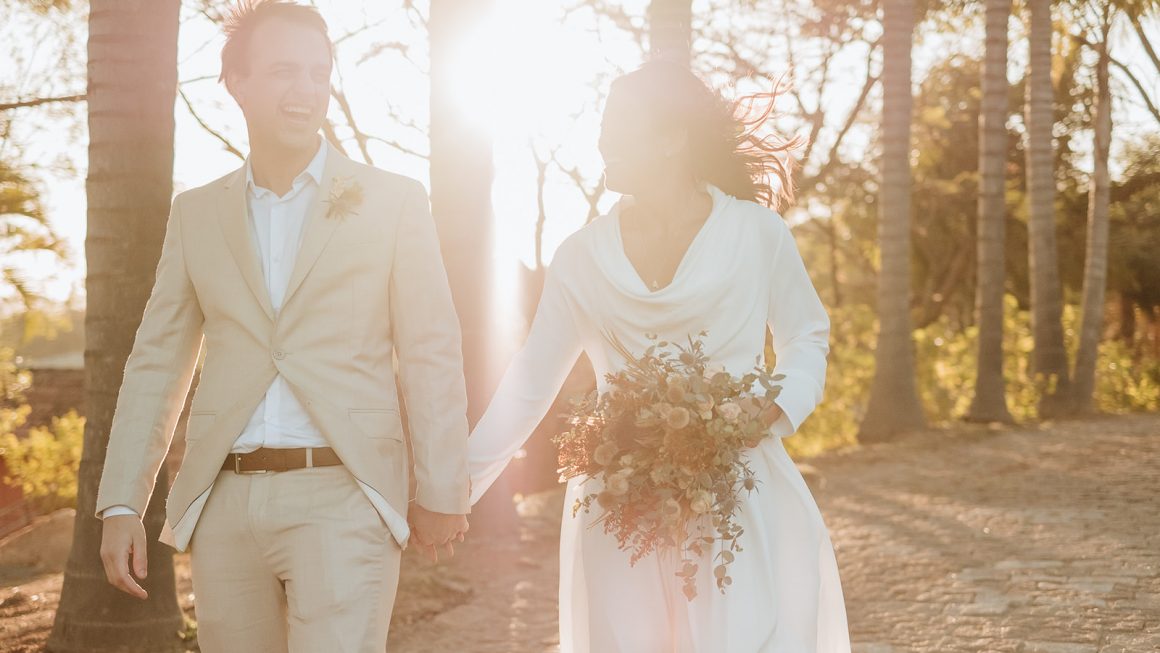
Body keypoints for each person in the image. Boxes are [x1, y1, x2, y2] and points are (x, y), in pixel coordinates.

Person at [95, 2, 469, 650]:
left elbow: (430, 348)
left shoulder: (394, 201)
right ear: (236, 83)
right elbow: (157, 361)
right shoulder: (195, 215)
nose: (306, 91)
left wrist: (441, 487)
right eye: (283, 72)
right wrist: (124, 501)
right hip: (223, 504)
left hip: (345, 494)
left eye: (318, 73)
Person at [467, 60, 852, 652]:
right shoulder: (581, 256)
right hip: (618, 503)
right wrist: (456, 487)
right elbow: (530, 380)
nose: (601, 140)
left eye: (617, 124)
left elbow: (807, 335)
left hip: (736, 489)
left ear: (672, 140)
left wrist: (772, 409)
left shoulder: (757, 233)